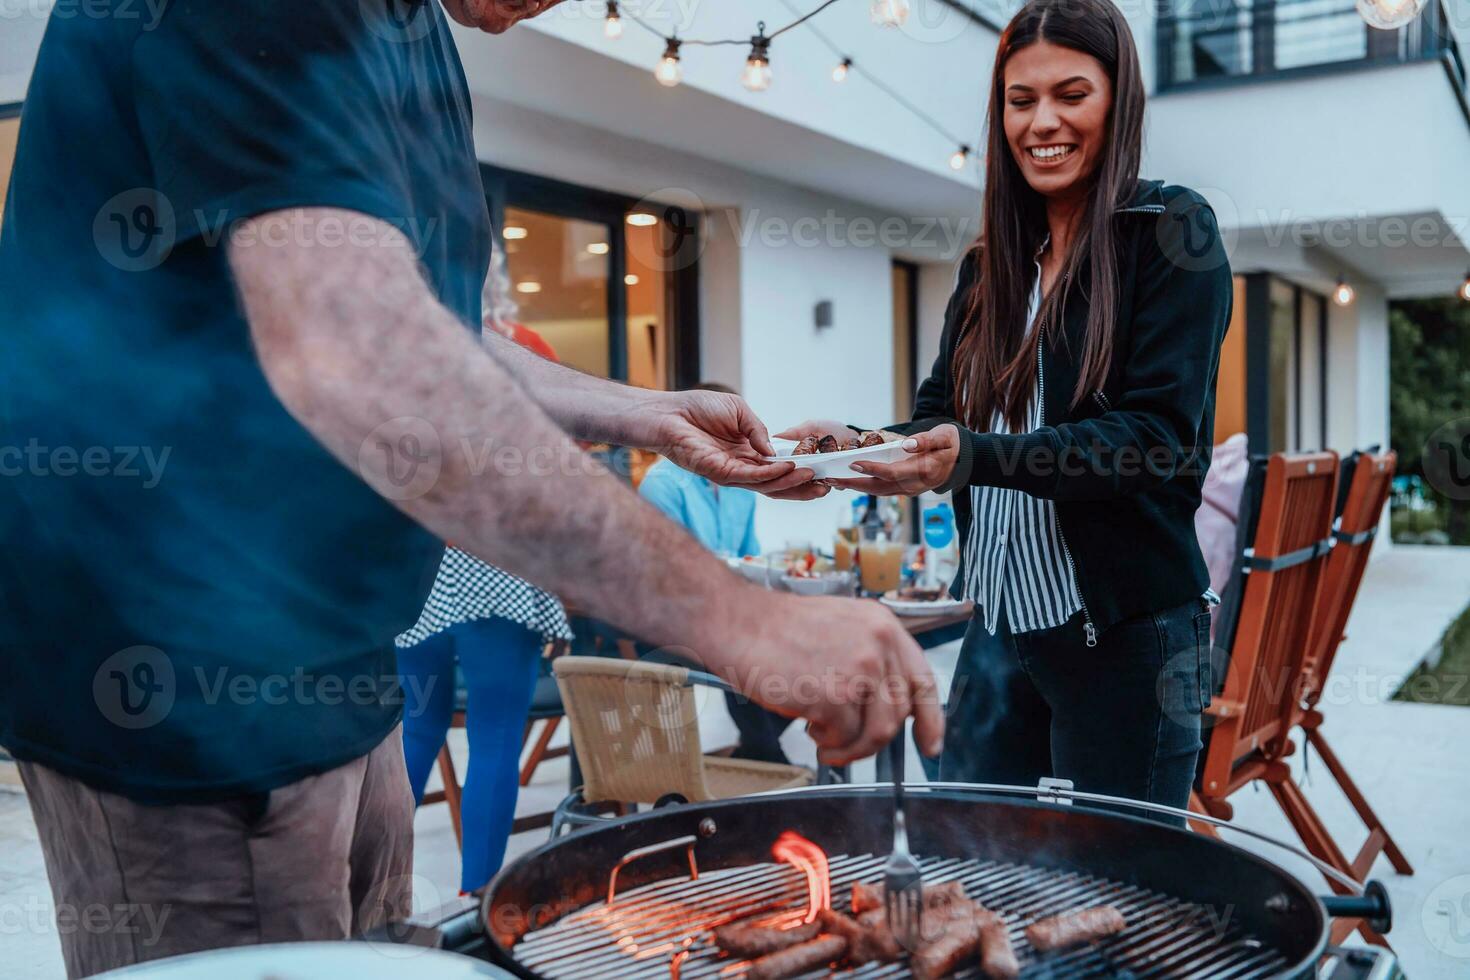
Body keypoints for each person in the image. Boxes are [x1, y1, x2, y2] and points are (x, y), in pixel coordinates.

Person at [0, 3, 942, 975]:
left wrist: (646, 411)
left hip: (340, 648)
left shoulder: (415, 33)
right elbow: (360, 357)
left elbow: (434, 333)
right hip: (181, 674)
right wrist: (747, 623)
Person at [780, 0, 1230, 821]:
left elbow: (1154, 441)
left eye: (1071, 94)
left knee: (1119, 883)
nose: (1042, 123)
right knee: (972, 853)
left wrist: (974, 456)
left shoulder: (1169, 230)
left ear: (1117, 99)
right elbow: (941, 417)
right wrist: (855, 447)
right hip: (1001, 621)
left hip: (1127, 637)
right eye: (1021, 102)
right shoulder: (991, 262)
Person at [395, 249, 573, 895]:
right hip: (501, 562)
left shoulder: (404, 356)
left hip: (418, 564)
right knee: (496, 742)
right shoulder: (525, 349)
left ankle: (367, 889)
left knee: (416, 730)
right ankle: (478, 902)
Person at [640, 383, 797, 765]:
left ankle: (754, 756)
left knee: (803, 642)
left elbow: (749, 558)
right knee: (739, 652)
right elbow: (669, 570)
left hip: (724, 607)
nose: (737, 438)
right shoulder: (662, 484)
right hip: (667, 617)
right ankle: (772, 764)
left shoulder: (740, 484)